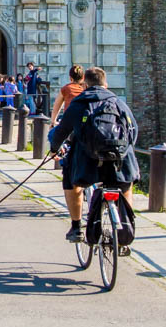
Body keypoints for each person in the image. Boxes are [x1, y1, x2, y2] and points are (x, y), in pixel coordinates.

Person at [48, 67, 138, 248]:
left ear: (85, 84)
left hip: (88, 160)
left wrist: (54, 150)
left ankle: (76, 227)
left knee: (71, 180)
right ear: (106, 84)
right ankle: (125, 228)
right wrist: (125, 150)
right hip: (117, 160)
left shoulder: (79, 103)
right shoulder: (118, 102)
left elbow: (62, 130)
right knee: (125, 184)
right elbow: (133, 129)